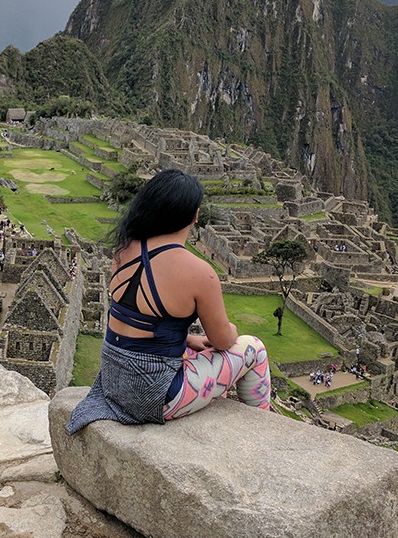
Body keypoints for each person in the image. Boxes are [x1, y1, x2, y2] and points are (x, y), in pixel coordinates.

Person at [67, 169, 270, 434]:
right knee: (254, 348)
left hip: (112, 382)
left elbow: (134, 321)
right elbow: (222, 341)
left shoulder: (124, 250)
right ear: (195, 215)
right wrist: (231, 330)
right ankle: (262, 430)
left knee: (196, 350)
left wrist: (187, 340)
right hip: (155, 397)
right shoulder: (199, 272)